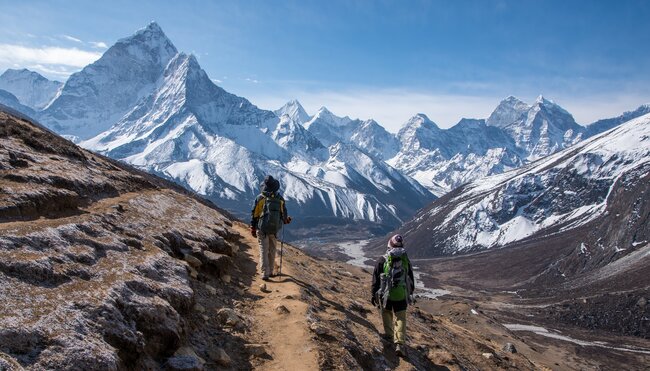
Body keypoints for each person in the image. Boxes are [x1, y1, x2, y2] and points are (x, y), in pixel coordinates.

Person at [371, 234, 415, 357]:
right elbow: (410, 277)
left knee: (386, 313)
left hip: (386, 294)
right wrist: (409, 292)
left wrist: (373, 294)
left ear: (389, 244)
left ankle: (389, 336)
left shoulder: (382, 260)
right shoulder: (405, 260)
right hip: (401, 293)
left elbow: (375, 279)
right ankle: (400, 343)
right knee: (401, 317)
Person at [250, 175, 291, 281]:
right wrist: (286, 220)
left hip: (262, 228)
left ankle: (265, 273)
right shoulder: (280, 199)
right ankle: (272, 271)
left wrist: (253, 228)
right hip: (274, 229)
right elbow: (284, 216)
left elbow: (255, 214)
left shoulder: (260, 198)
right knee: (272, 250)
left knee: (263, 249)